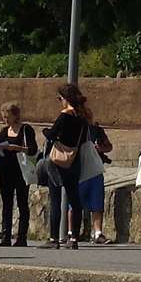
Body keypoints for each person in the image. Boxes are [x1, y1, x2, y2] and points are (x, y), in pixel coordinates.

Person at [41, 84, 91, 249]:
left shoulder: (64, 116)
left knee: (55, 198)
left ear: (65, 98)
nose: (59, 102)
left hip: (58, 161)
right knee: (74, 200)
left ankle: (54, 238)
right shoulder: (83, 117)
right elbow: (83, 140)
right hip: (74, 161)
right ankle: (74, 238)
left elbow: (52, 135)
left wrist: (46, 131)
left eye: (59, 98)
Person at [0, 103, 37, 247]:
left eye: (7, 117)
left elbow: (32, 149)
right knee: (7, 204)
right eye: (3, 117)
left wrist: (17, 148)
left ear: (15, 115)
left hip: (21, 170)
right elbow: (0, 147)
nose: (5, 120)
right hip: (6, 171)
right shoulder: (4, 131)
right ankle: (5, 236)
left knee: (22, 203)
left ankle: (21, 236)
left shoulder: (25, 129)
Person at [77, 121, 115, 244]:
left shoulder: (96, 130)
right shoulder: (75, 128)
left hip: (95, 170)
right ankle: (72, 233)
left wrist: (100, 148)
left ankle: (98, 233)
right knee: (75, 204)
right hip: (79, 170)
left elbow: (109, 146)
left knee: (97, 203)